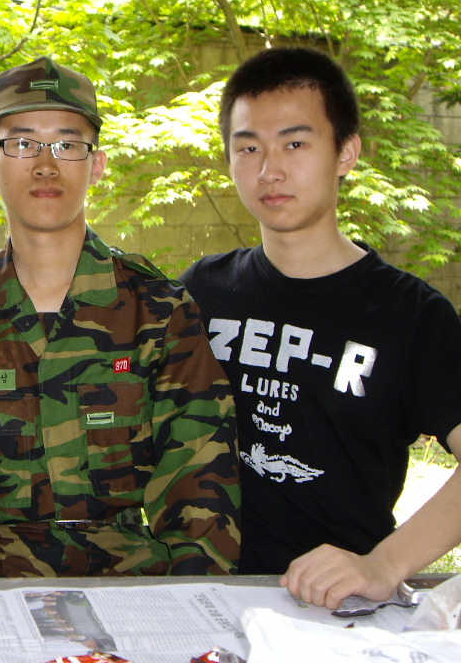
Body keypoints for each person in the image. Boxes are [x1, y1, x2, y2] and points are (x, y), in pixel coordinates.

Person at [0, 56, 241, 577]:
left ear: (96, 166)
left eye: (67, 145)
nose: (45, 165)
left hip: (133, 588)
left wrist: (186, 602)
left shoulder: (158, 311)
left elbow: (200, 485)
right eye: (22, 143)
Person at [181, 46, 461, 609]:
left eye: (295, 144)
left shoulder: (410, 314)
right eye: (249, 148)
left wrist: (383, 565)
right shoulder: (201, 291)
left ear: (346, 153)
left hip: (333, 609)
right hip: (198, 596)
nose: (270, 170)